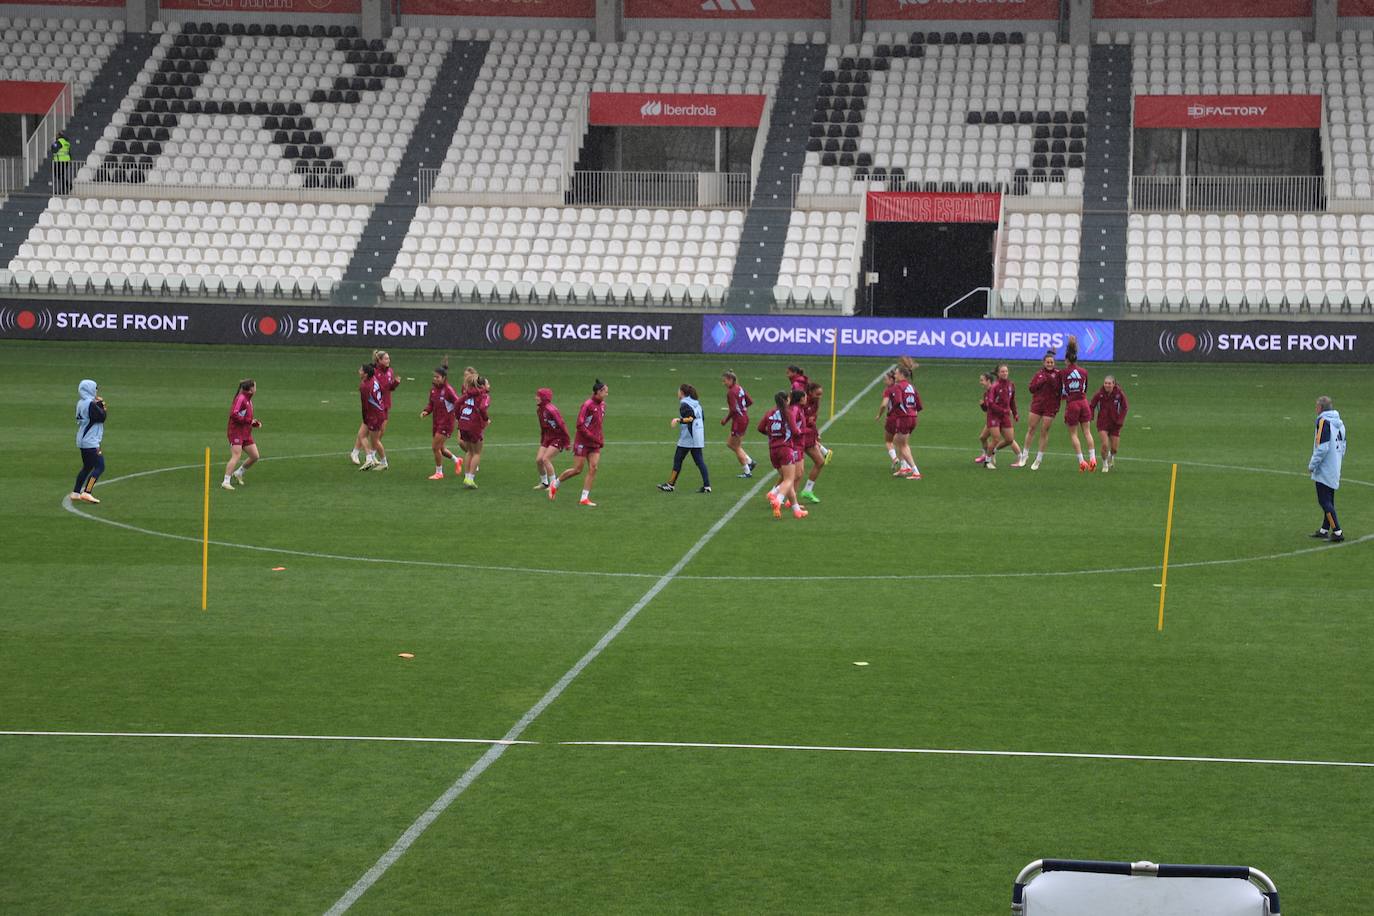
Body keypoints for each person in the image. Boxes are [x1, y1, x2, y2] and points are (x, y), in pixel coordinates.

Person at [550, 379, 607, 507]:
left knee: (593, 468)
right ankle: (556, 483)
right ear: (599, 391)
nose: (607, 394)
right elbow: (579, 425)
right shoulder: (587, 405)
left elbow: (598, 425)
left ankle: (584, 498)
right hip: (583, 442)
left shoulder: (603, 405)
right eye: (605, 392)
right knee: (577, 469)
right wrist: (593, 437)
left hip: (595, 443)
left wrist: (600, 438)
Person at [758, 391, 808, 520]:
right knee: (789, 479)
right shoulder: (788, 413)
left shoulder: (769, 413)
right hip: (785, 448)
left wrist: (772, 434)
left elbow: (760, 427)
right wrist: (802, 431)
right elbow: (795, 431)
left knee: (787, 479)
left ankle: (796, 510)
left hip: (772, 450)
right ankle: (777, 499)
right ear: (787, 400)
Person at [658, 384, 712, 493]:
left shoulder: (684, 404)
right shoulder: (696, 403)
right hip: (698, 435)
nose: (677, 393)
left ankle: (670, 485)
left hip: (688, 437)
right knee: (699, 461)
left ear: (682, 393)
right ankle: (707, 486)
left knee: (678, 459)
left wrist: (678, 420)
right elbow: (702, 418)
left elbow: (690, 418)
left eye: (678, 391)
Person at [1308, 395, 1347, 542]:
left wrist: (1312, 464)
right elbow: (1343, 446)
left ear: (1320, 408)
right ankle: (1325, 529)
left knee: (1324, 501)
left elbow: (1322, 447)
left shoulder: (1323, 421)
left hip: (1325, 467)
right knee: (1329, 499)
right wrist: (1337, 460)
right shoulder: (1340, 423)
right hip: (1335, 465)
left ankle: (1337, 531)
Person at [351, 350, 399, 464]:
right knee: (366, 431)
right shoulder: (374, 372)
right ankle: (356, 452)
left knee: (380, 431)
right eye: (386, 359)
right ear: (379, 360)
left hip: (385, 404)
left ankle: (371, 454)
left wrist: (395, 384)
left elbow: (388, 388)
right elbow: (379, 389)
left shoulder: (390, 371)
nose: (388, 360)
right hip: (375, 406)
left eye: (389, 358)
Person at [1017, 349, 1060, 470]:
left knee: (1044, 431)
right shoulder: (1039, 374)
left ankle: (1039, 459)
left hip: (1050, 406)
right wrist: (1041, 382)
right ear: (1044, 363)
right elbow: (1031, 388)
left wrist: (1050, 381)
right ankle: (1024, 455)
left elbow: (1059, 389)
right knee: (1031, 428)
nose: (1050, 364)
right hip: (1037, 405)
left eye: (1051, 362)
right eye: (1047, 362)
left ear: (1054, 363)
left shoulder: (1058, 374)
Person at [1060, 336, 1096, 472]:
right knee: (1087, 432)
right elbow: (1085, 388)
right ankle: (1093, 458)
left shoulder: (1063, 373)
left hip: (1073, 404)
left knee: (1074, 434)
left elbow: (1063, 391)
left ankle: (1082, 461)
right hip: (1083, 402)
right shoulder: (1084, 372)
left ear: (1067, 360)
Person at [420, 358, 460, 480]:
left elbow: (458, 403)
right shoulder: (433, 390)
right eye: (434, 377)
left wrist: (459, 417)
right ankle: (457, 460)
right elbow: (431, 404)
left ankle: (439, 472)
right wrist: (426, 411)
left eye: (437, 377)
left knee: (435, 447)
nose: (435, 379)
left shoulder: (448, 390)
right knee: (441, 449)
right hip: (436, 422)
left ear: (443, 378)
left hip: (446, 423)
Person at [71, 378, 107, 504]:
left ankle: (75, 492)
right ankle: (87, 492)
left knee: (87, 467)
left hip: (82, 439)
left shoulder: (81, 402)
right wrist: (101, 404)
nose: (96, 390)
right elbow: (102, 417)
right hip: (90, 441)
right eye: (95, 388)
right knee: (100, 466)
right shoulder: (90, 404)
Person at [223, 379, 262, 490]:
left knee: (255, 456)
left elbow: (244, 417)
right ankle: (226, 481)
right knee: (236, 455)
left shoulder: (249, 400)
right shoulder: (241, 398)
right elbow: (234, 414)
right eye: (255, 386)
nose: (256, 388)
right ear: (250, 389)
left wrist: (252, 422)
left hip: (245, 433)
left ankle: (239, 473)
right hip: (236, 432)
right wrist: (248, 421)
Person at [455, 374, 491, 489]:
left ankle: (466, 477)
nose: (489, 385)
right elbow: (482, 408)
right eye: (488, 383)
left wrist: (459, 417)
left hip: (463, 423)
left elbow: (457, 403)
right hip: (474, 425)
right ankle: (470, 478)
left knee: (469, 451)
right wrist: (486, 419)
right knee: (477, 452)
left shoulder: (468, 394)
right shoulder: (484, 396)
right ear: (483, 386)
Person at [890, 357, 923, 479]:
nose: (895, 375)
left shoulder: (898, 386)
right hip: (913, 417)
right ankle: (904, 467)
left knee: (902, 444)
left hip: (904, 418)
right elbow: (919, 406)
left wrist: (892, 413)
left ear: (902, 375)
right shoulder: (911, 387)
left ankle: (915, 471)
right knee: (898, 441)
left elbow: (897, 402)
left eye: (896, 373)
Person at [1090, 374, 1129, 474]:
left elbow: (1125, 407)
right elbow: (1092, 405)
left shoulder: (1119, 394)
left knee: (1114, 448)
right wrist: (1091, 416)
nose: (1107, 385)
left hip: (1115, 424)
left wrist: (1120, 420)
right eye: (1105, 383)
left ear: (1113, 384)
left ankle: (1111, 456)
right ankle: (1104, 464)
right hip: (1102, 423)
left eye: (1109, 383)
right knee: (1104, 444)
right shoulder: (1099, 394)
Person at [721, 370, 756, 478]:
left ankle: (747, 471)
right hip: (744, 418)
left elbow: (733, 410)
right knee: (730, 444)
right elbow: (750, 401)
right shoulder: (739, 388)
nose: (724, 383)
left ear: (731, 380)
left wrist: (725, 420)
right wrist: (743, 409)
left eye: (725, 381)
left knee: (736, 446)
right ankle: (750, 461)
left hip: (738, 420)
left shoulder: (731, 392)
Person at [798, 381, 829, 502]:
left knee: (820, 462)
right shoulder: (802, 402)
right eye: (817, 394)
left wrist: (816, 433)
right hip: (800, 437)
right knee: (795, 471)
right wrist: (808, 421)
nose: (819, 397)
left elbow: (813, 419)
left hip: (809, 436)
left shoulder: (816, 402)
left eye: (821, 394)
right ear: (809, 392)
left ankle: (807, 490)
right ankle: (776, 492)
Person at [534, 387, 570, 490]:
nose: (536, 398)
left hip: (558, 438)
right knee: (539, 460)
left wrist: (567, 442)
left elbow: (562, 425)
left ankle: (553, 485)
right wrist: (542, 440)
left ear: (543, 398)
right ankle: (544, 482)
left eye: (538, 396)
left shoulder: (552, 410)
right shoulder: (539, 410)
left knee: (546, 459)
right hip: (547, 438)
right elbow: (543, 427)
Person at [988, 363, 1024, 466]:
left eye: (1006, 371)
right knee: (995, 438)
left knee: (1009, 439)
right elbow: (990, 403)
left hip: (1005, 416)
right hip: (994, 415)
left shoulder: (1011, 385)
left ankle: (994, 450)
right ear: (998, 373)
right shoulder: (995, 386)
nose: (1005, 373)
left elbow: (1012, 400)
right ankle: (988, 460)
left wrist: (1015, 413)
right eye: (1002, 371)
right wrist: (1004, 411)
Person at [358, 363, 388, 471]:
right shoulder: (374, 378)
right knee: (361, 435)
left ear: (365, 374)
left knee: (375, 441)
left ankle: (384, 462)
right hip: (378, 412)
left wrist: (365, 418)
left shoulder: (364, 387)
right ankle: (369, 458)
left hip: (373, 415)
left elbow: (365, 404)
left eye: (361, 370)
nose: (359, 371)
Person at [975, 371, 1001, 469]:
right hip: (991, 418)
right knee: (982, 437)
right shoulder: (986, 393)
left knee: (1001, 439)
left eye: (982, 380)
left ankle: (988, 459)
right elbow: (986, 409)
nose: (980, 382)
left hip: (997, 418)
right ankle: (987, 455)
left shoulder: (995, 391)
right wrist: (982, 405)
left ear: (988, 380)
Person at [50, 130, 72, 195]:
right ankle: (65, 187)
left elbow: (54, 150)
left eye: (57, 135)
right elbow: (69, 153)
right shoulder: (67, 142)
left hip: (59, 161)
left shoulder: (59, 142)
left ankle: (66, 187)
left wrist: (53, 144)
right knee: (61, 175)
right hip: (66, 161)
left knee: (58, 175)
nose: (56, 136)